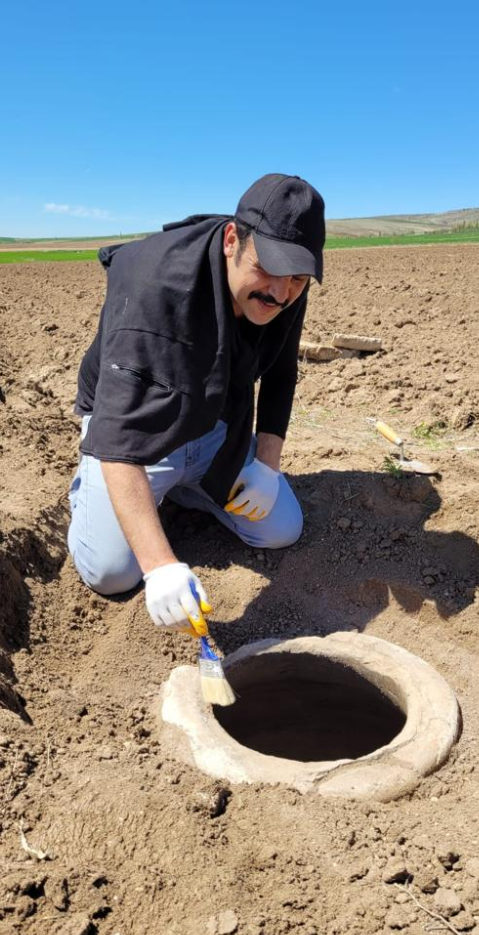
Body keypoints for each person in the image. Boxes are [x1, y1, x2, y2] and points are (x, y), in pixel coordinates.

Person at [67, 173, 326, 638]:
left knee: (281, 529)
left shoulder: (288, 289)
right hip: (138, 431)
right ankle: (103, 490)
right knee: (112, 573)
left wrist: (267, 467)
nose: (280, 292)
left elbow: (282, 372)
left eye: (297, 277)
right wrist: (160, 566)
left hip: (213, 422)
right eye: (268, 268)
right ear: (232, 241)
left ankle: (186, 488)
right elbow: (119, 435)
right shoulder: (153, 286)